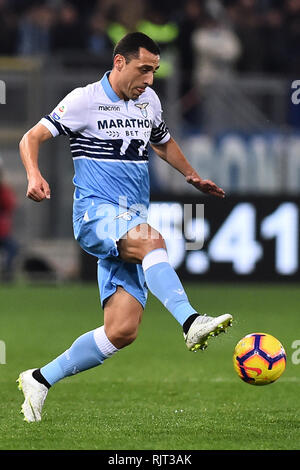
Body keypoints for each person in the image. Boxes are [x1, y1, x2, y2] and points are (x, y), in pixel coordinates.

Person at [17, 32, 232, 423]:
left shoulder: (148, 101)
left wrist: (191, 176)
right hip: (95, 215)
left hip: (129, 220)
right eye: (144, 69)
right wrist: (34, 175)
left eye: (154, 71)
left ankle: (39, 379)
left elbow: (162, 141)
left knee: (121, 330)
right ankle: (190, 321)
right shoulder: (84, 100)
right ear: (119, 62)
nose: (150, 79)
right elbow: (31, 137)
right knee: (154, 241)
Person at [0, 157, 18, 282]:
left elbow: (10, 204)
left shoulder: (4, 190)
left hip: (3, 233)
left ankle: (7, 273)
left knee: (13, 248)